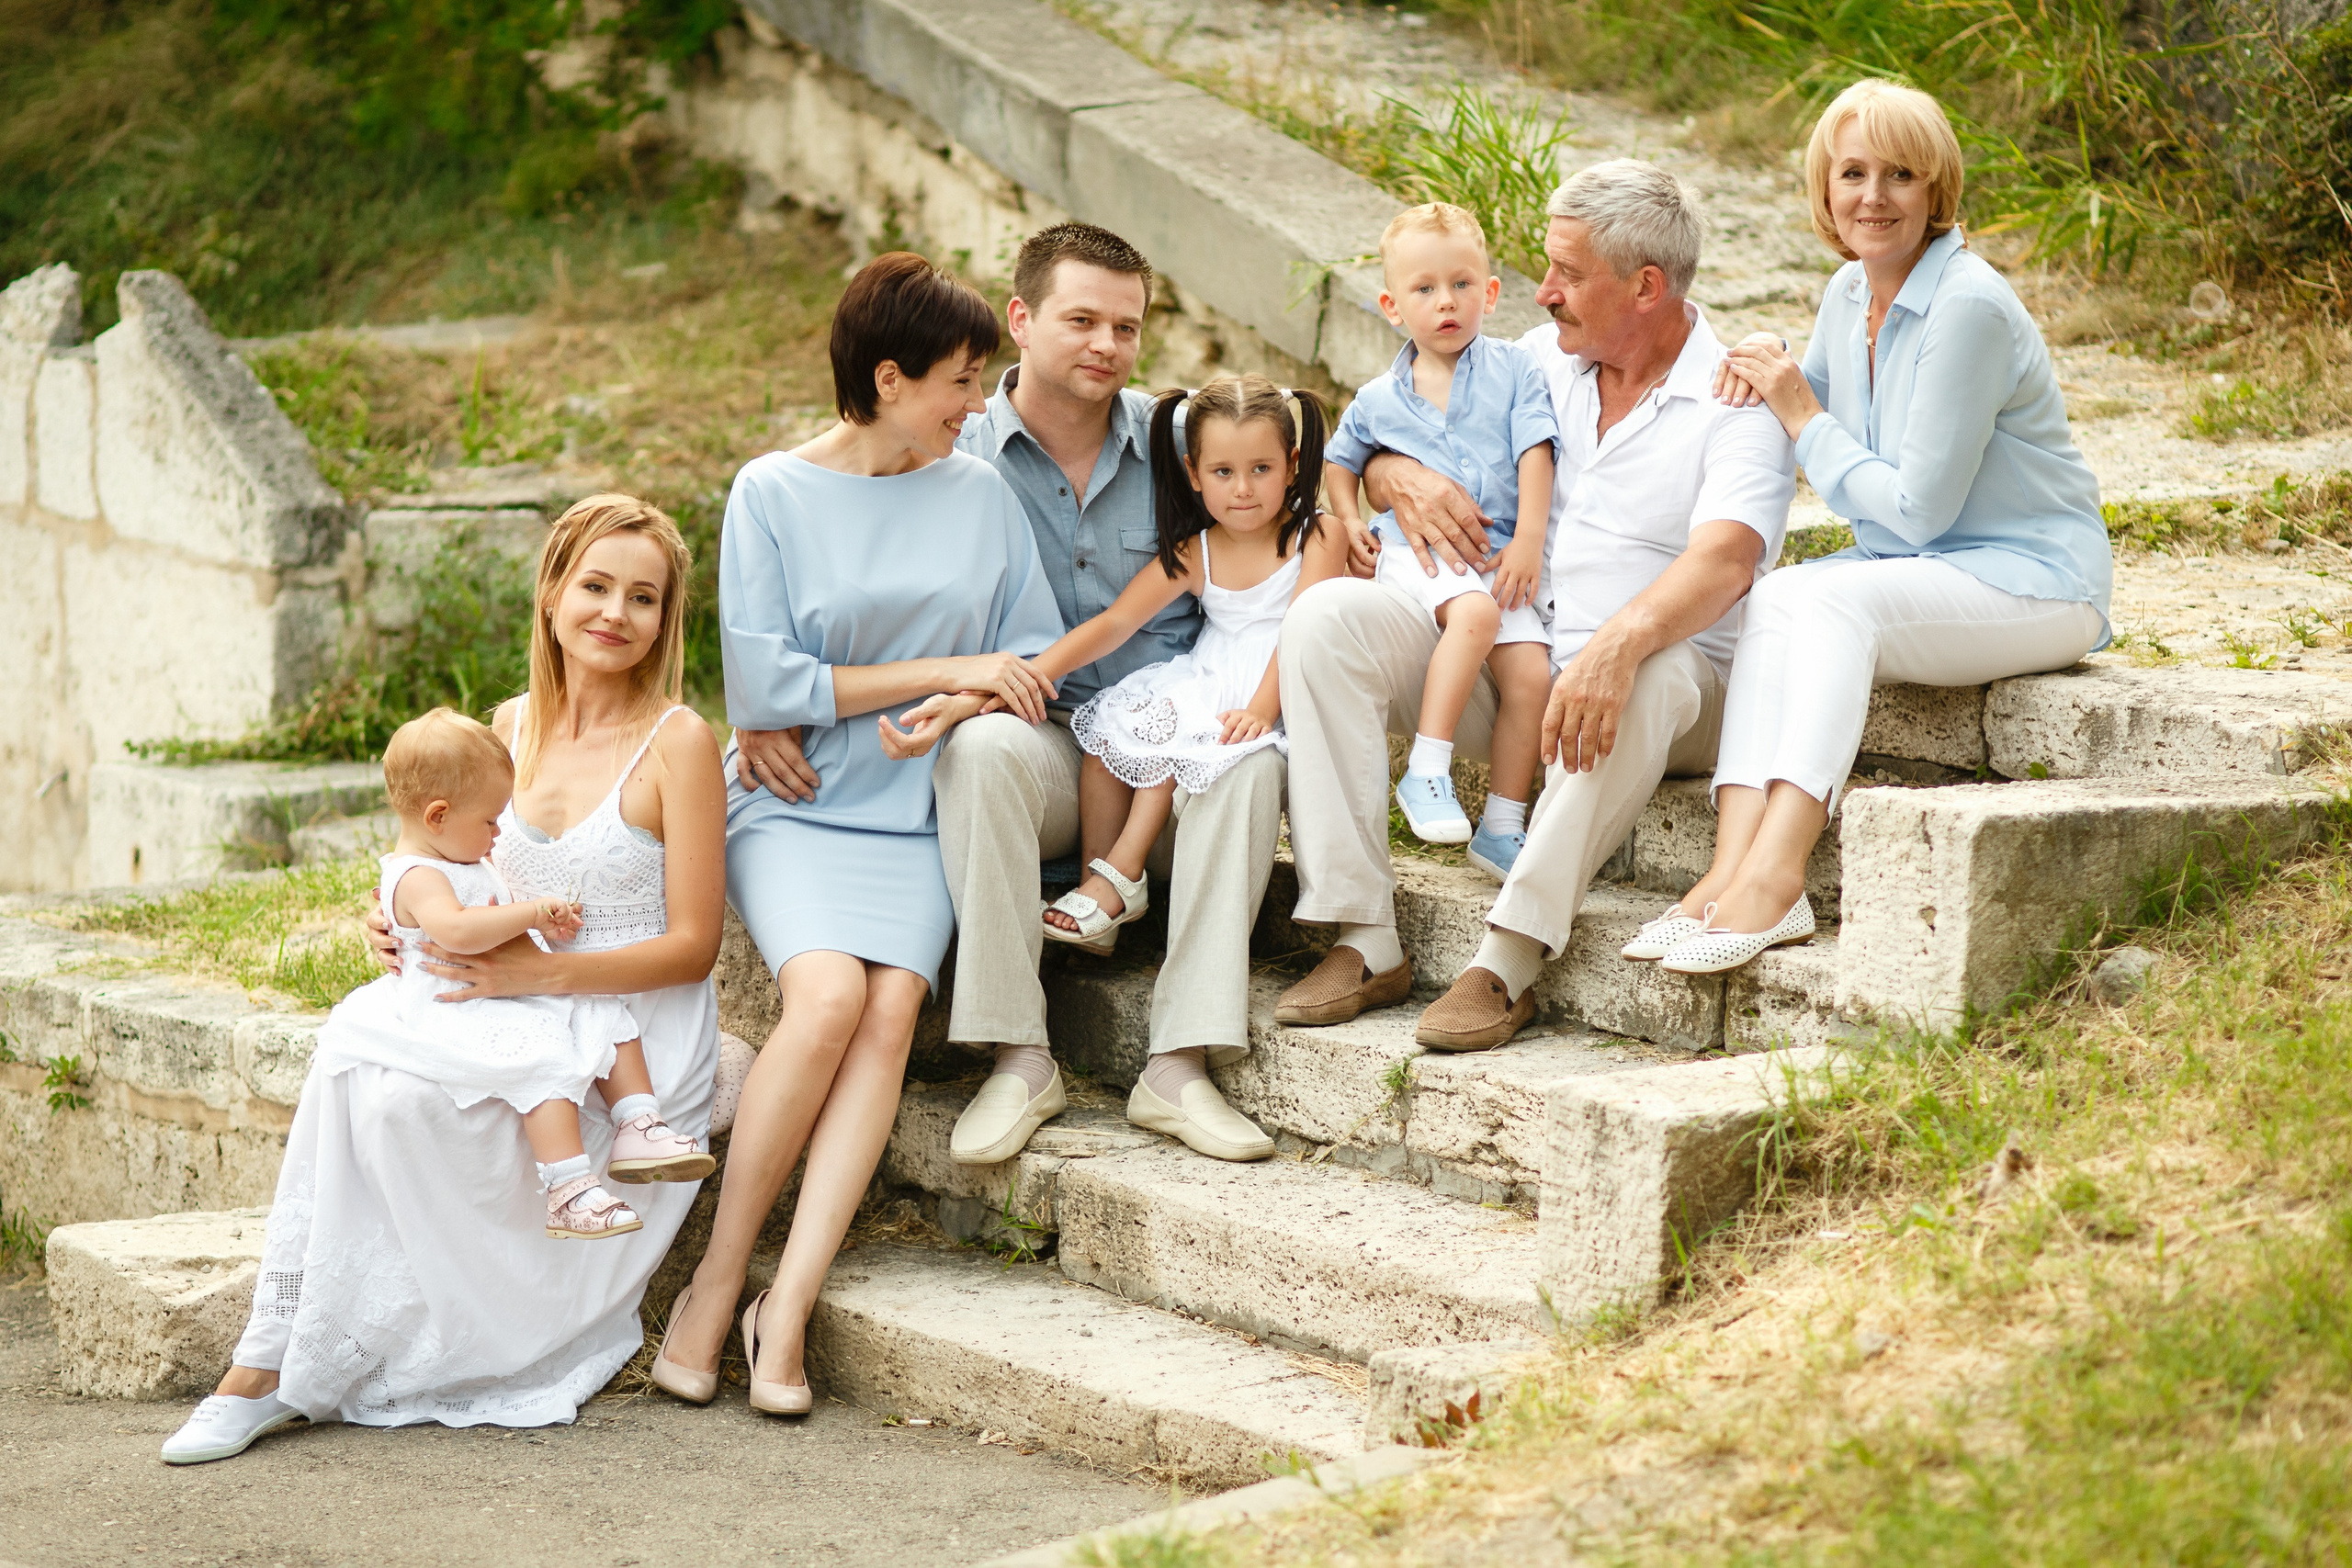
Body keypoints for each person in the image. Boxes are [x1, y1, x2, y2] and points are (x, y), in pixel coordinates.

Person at [730, 223, 1369, 1172]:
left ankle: (1179, 1064)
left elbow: (1288, 465)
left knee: (1247, 771)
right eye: (1081, 320)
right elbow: (837, 568)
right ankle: (1016, 1055)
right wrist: (772, 701)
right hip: (1041, 741)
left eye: (1127, 325)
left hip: (1182, 738)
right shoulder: (955, 450)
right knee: (980, 751)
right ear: (1021, 321)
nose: (1106, 345)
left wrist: (1366, 486)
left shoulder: (1176, 440)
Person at [164, 493, 728, 1464]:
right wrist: (398, 922)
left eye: (643, 598)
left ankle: (340, 1358)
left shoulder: (676, 739)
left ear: (664, 619)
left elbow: (695, 947)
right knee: (364, 1083)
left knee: (425, 1114)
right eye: (595, 585)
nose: (615, 613)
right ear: (552, 593)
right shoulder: (502, 728)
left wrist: (538, 983)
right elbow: (439, 857)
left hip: (629, 1038)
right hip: (505, 1006)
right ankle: (270, 1359)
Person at [652, 253, 1064, 1416]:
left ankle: (785, 1306)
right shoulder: (769, 491)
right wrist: (946, 668)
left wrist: (967, 699)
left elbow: (1025, 657)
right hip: (796, 805)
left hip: (918, 807)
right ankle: (715, 1280)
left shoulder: (981, 492)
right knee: (828, 997)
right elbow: (770, 683)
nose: (975, 406)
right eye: (960, 383)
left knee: (888, 1010)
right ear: (888, 377)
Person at [1275, 159, 1796, 1050]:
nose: (1542, 292)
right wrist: (1394, 474)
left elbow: (1727, 561)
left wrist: (1620, 642)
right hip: (1519, 673)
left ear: (1645, 286)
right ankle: (1362, 935)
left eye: (1566, 273)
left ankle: (1507, 960)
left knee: (1647, 665)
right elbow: (1385, 428)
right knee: (1326, 623)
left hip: (1671, 697)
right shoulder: (1527, 366)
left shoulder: (1737, 400)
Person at [1649, 79, 2110, 975]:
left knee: (1834, 607)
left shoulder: (1966, 306)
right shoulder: (1843, 292)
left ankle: (1777, 877)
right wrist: (1759, 386)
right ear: (1823, 190)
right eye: (1851, 173)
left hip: (2035, 581)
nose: (1872, 196)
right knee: (1776, 595)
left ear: (1936, 189)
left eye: (1899, 175)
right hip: (1928, 570)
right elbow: (1800, 420)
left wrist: (1795, 406)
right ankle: (1725, 870)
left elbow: (1908, 511)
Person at [1001, 373, 1350, 1157]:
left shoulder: (1314, 536)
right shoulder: (1197, 547)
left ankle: (1118, 877)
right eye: (1222, 472)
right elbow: (1119, 619)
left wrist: (1265, 704)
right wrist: (1030, 675)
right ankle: (1109, 888)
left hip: (1270, 692)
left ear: (1292, 464)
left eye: (1262, 469)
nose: (1243, 489)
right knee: (1110, 733)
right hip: (1207, 680)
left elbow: (1302, 628)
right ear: (1193, 474)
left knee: (1182, 746)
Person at [310, 706, 709, 1245]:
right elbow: (458, 930)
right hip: (459, 1004)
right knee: (541, 1055)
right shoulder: (420, 873)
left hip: (505, 990)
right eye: (490, 822)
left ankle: (639, 1124)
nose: (499, 833)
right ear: (437, 816)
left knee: (603, 1013)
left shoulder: (459, 856)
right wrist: (531, 912)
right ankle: (567, 1188)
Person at [1324, 202, 1558, 874]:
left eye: (1461, 285)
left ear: (1488, 292)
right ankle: (1426, 770)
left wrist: (1529, 541)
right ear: (1393, 306)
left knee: (1531, 673)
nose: (1445, 303)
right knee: (1476, 614)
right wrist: (1346, 518)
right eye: (1423, 290)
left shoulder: (1516, 369)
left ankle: (1503, 823)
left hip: (1497, 551)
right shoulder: (1379, 398)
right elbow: (1341, 463)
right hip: (1416, 550)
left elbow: (1534, 451)